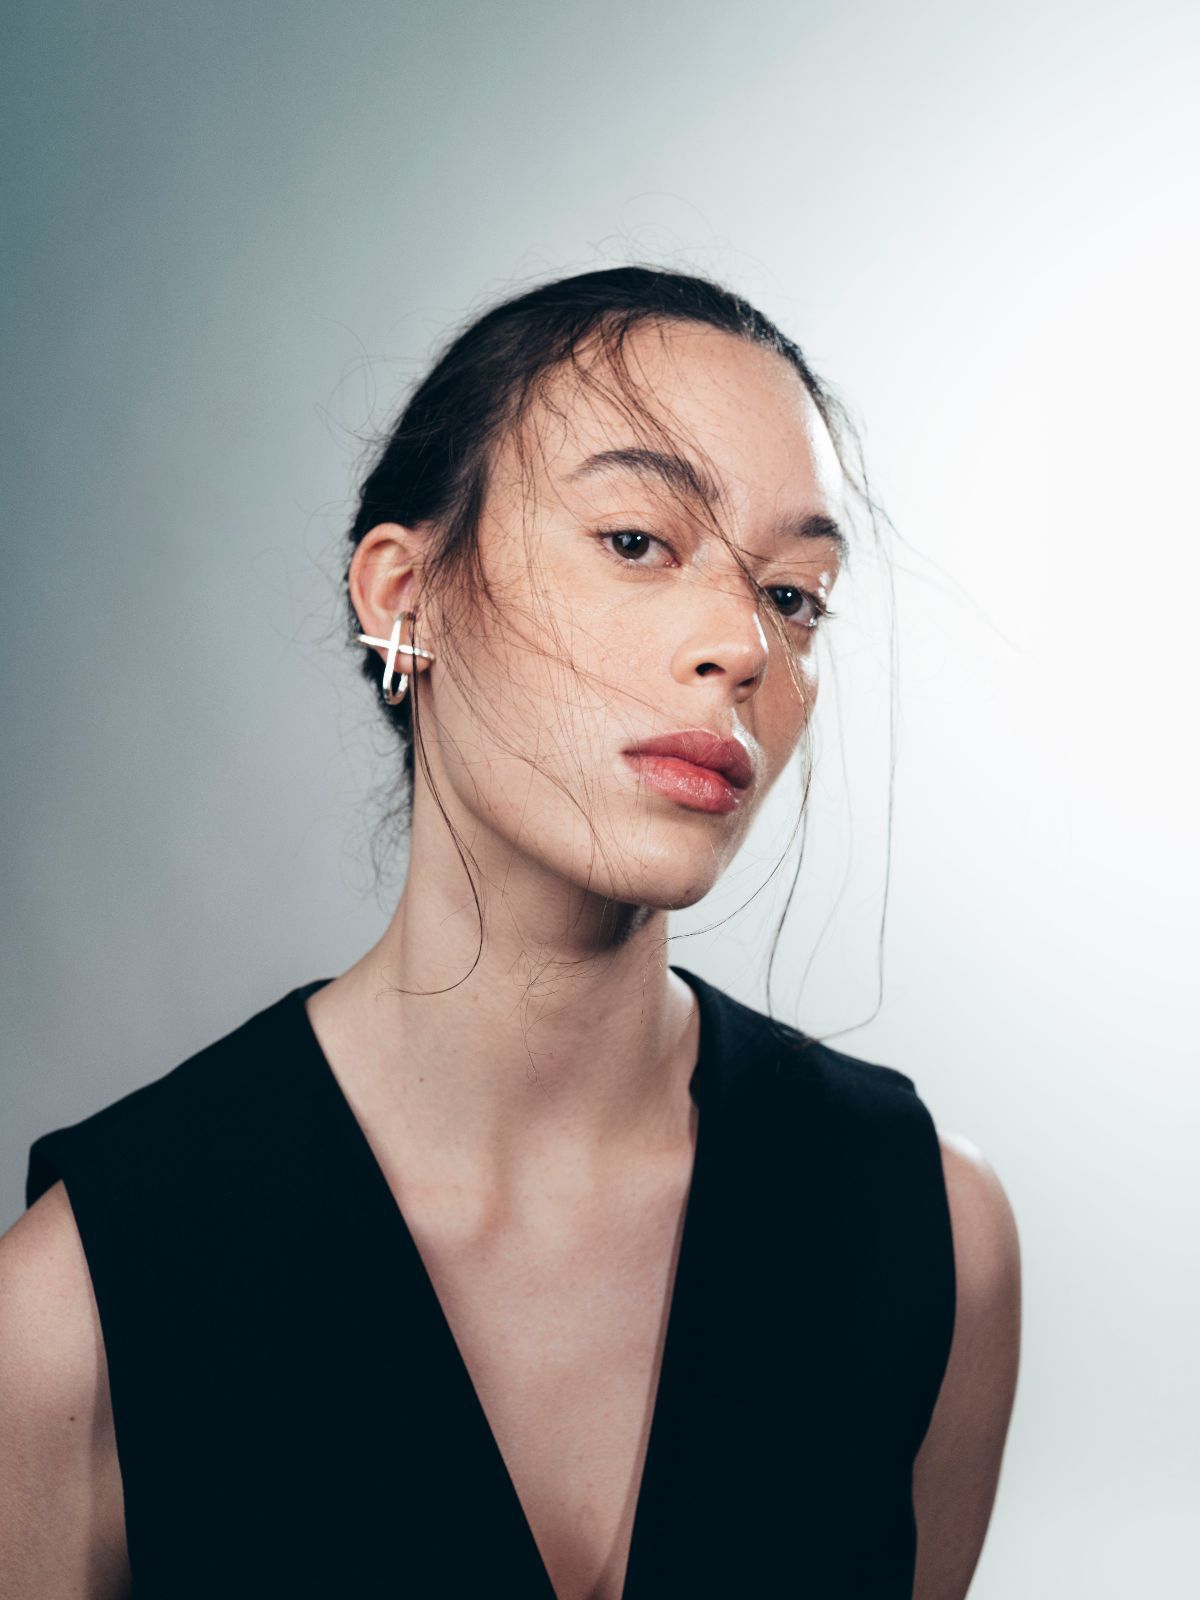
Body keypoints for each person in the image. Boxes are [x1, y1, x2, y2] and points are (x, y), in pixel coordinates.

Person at [0, 266, 1020, 1599]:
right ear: (403, 597)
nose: (741, 645)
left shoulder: (929, 1234)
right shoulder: (73, 1310)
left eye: (795, 595)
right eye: (638, 541)